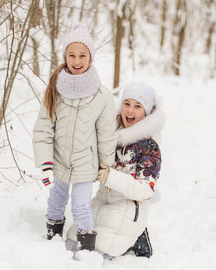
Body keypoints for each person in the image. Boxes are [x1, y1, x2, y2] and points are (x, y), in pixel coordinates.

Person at [32, 23, 117, 251]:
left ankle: (87, 249)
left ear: (90, 57)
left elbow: (107, 133)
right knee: (56, 201)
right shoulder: (54, 89)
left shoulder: (102, 95)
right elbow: (43, 129)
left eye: (82, 55)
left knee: (81, 206)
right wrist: (46, 164)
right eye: (71, 55)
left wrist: (105, 165)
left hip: (85, 165)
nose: (77, 61)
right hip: (58, 161)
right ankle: (52, 242)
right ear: (65, 56)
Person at [66, 83, 164, 259]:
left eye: (137, 106)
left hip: (127, 206)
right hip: (101, 200)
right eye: (127, 104)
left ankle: (137, 237)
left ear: (147, 112)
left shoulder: (149, 146)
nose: (130, 111)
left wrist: (110, 176)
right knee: (71, 242)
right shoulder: (110, 134)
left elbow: (146, 189)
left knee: (96, 251)